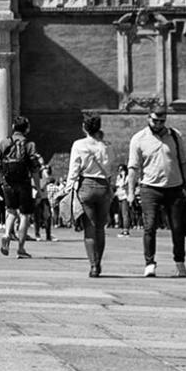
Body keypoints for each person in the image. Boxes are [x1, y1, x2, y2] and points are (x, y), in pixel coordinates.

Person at [127, 105, 186, 278]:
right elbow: (133, 168)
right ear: (148, 118)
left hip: (175, 188)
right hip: (150, 189)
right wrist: (130, 192)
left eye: (161, 121)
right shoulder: (138, 138)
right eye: (155, 120)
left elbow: (184, 162)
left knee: (178, 228)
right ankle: (149, 263)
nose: (158, 124)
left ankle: (180, 263)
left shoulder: (175, 136)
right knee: (149, 227)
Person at [67, 114, 115, 277]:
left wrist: (68, 190)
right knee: (100, 229)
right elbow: (110, 168)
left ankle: (93, 266)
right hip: (103, 186)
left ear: (84, 127)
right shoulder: (107, 146)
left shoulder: (79, 144)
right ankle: (99, 262)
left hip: (86, 186)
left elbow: (74, 169)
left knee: (90, 228)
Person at [0, 116, 41, 258]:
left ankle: (7, 234)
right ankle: (21, 249)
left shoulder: (4, 143)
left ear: (13, 126)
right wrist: (38, 188)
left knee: (11, 212)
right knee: (25, 215)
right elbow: (34, 168)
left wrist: (1, 182)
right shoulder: (29, 145)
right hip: (24, 182)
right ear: (26, 128)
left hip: (8, 182)